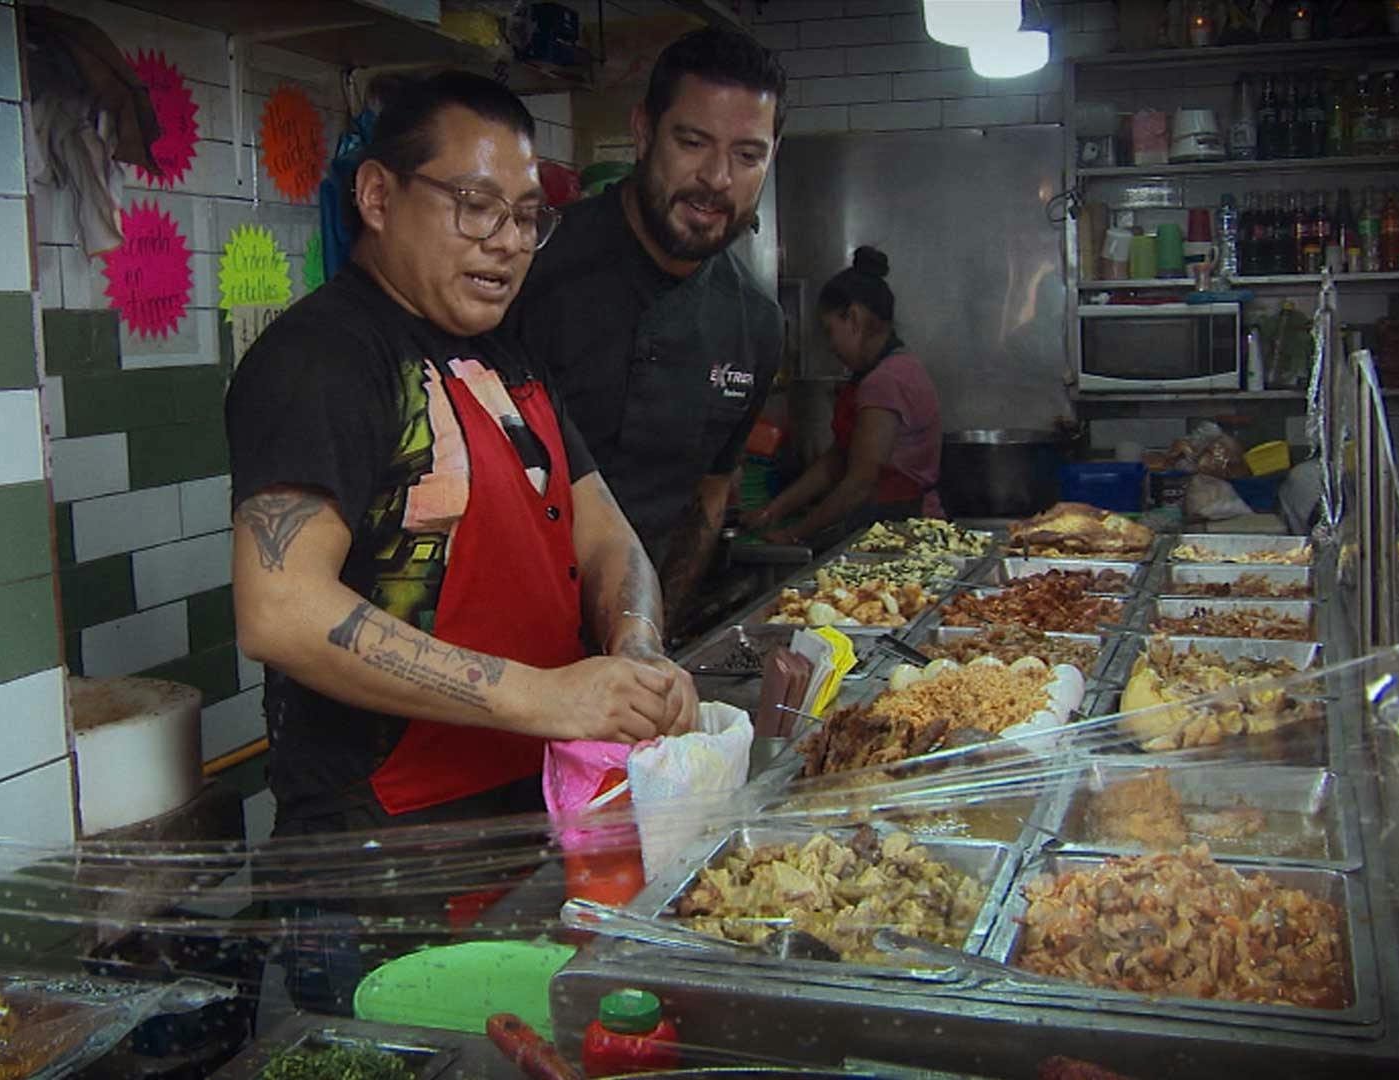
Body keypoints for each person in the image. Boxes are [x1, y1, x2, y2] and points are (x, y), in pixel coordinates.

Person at [224, 71, 697, 1013]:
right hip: (384, 863)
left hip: (525, 825)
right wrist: (546, 696)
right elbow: (279, 608)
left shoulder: (506, 351)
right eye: (475, 206)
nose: (508, 242)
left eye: (527, 217)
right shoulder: (325, 359)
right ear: (376, 196)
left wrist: (634, 648)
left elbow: (606, 532)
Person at [505, 27, 787, 621]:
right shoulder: (529, 267)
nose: (717, 177)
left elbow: (710, 495)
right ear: (642, 131)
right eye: (693, 142)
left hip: (637, 638)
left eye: (747, 155)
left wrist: (655, 637)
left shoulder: (756, 324)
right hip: (503, 639)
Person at [744, 246, 943, 542]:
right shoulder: (894, 368)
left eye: (829, 331)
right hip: (886, 523)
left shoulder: (885, 381)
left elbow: (859, 482)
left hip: (902, 531)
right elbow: (837, 459)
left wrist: (796, 534)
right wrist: (774, 510)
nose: (830, 345)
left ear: (853, 318)